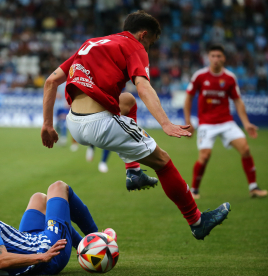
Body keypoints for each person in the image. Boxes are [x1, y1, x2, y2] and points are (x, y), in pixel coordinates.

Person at [40, 10, 230, 240]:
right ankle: (197, 221)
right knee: (163, 162)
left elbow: (51, 81)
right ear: (143, 35)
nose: (149, 48)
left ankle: (134, 172)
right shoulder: (135, 47)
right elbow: (143, 86)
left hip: (74, 121)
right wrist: (166, 123)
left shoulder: (92, 43)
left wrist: (47, 125)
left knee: (127, 101)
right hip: (99, 124)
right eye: (151, 42)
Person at [184, 45, 267, 199]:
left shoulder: (229, 77)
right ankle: (194, 190)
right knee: (205, 156)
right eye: (213, 56)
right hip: (207, 123)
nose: (216, 59)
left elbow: (238, 100)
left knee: (245, 149)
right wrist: (188, 122)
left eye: (219, 56)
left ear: (224, 58)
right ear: (208, 57)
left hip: (226, 122)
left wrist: (246, 123)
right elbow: (188, 98)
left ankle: (253, 188)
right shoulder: (200, 76)